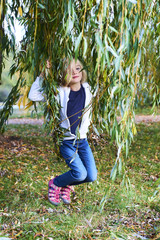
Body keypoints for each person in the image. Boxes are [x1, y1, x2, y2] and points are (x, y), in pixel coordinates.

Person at [28, 58, 97, 205]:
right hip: (66, 142)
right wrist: (43, 73)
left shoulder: (89, 89)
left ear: (82, 70)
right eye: (69, 70)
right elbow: (33, 95)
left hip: (82, 141)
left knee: (91, 176)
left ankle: (66, 184)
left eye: (77, 68)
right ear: (63, 74)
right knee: (79, 173)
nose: (74, 72)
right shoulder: (58, 92)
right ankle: (55, 183)